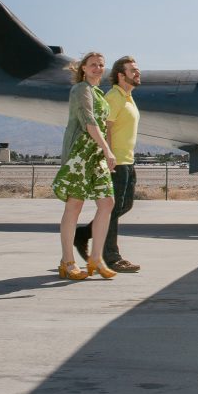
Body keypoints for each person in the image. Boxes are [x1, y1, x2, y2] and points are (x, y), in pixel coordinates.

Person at [52, 51, 117, 280]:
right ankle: (67, 261)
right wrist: (108, 150)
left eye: (101, 64)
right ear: (83, 68)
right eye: (93, 65)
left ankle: (96, 258)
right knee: (75, 205)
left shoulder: (99, 92)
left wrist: (106, 150)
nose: (98, 68)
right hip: (80, 153)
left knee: (107, 202)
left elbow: (103, 124)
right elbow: (89, 122)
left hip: (96, 154)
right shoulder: (81, 90)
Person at [74, 55, 142, 273]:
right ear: (121, 75)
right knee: (111, 210)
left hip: (127, 160)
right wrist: (108, 156)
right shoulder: (114, 96)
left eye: (137, 69)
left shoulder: (128, 97)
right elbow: (106, 127)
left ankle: (83, 235)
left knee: (125, 206)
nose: (137, 73)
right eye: (133, 70)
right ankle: (111, 257)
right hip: (116, 161)